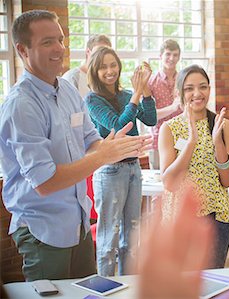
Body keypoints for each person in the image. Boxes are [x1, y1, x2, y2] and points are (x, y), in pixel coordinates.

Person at [0, 10, 150, 281]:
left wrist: (112, 148)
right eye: (48, 42)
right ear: (22, 50)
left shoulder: (67, 90)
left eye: (61, 39)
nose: (59, 48)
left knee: (86, 292)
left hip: (77, 223)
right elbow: (44, 182)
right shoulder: (22, 105)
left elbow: (91, 140)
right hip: (42, 230)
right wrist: (103, 156)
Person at [85, 46, 157, 276]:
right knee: (108, 241)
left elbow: (151, 118)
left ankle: (128, 287)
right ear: (95, 71)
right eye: (103, 67)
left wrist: (145, 91)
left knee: (131, 238)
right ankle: (106, 286)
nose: (110, 71)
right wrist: (136, 95)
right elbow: (119, 127)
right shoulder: (92, 99)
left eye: (113, 64)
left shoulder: (127, 95)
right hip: (109, 172)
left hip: (133, 168)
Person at [158, 64, 229, 268]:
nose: (197, 93)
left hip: (217, 217)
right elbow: (169, 183)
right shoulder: (169, 128)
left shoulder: (223, 125)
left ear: (209, 89)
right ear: (179, 92)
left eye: (203, 87)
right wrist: (191, 142)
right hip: (180, 218)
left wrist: (217, 142)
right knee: (180, 285)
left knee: (212, 283)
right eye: (189, 88)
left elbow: (227, 180)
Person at [147, 39, 183, 169]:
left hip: (182, 139)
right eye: (168, 54)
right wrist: (173, 108)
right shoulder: (150, 82)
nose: (171, 58)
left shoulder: (184, 80)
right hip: (158, 140)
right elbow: (148, 117)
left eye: (175, 55)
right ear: (160, 56)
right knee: (158, 183)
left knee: (182, 180)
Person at [62, 34, 112, 98]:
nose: (102, 56)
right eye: (98, 52)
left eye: (106, 52)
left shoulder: (107, 77)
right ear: (88, 52)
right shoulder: (72, 78)